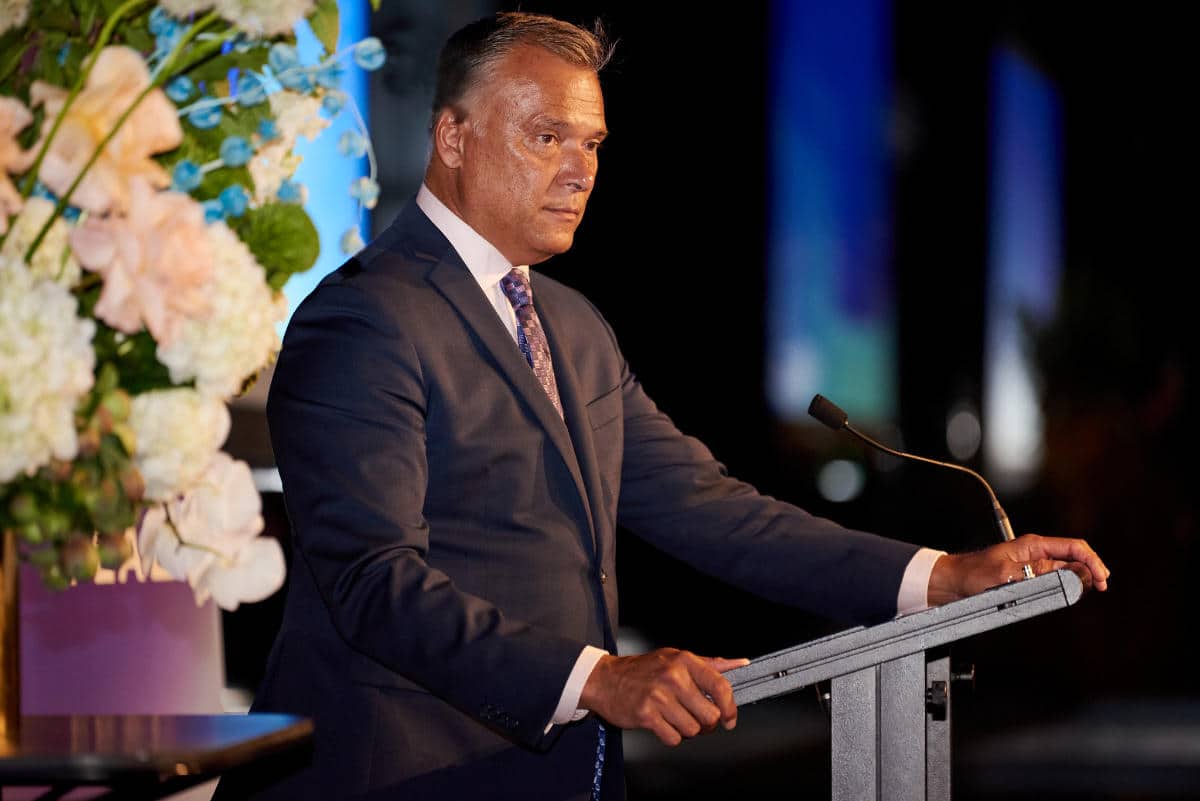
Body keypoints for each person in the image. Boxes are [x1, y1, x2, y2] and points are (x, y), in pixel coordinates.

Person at [217, 12, 1109, 801]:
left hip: (557, 775)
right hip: (400, 774)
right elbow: (376, 583)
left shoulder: (571, 323)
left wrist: (940, 577)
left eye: (594, 144)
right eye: (547, 138)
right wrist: (598, 677)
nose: (579, 170)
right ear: (452, 136)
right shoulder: (364, 317)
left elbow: (712, 511)